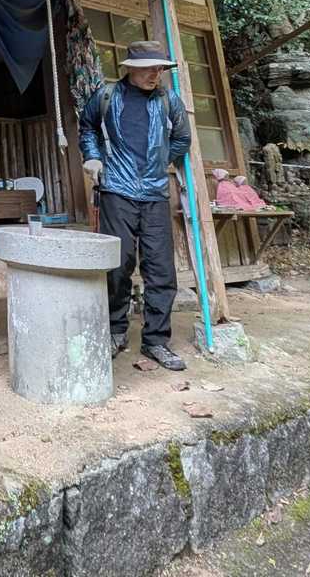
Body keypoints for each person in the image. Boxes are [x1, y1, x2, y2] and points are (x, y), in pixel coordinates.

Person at [77, 40, 190, 372]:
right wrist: (93, 156)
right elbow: (87, 127)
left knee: (161, 270)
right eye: (150, 68)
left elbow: (182, 138)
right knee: (117, 265)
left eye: (160, 68)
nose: (156, 74)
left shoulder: (169, 100)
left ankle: (156, 341)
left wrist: (160, 160)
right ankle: (115, 331)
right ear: (130, 69)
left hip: (155, 194)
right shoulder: (106, 97)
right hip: (116, 191)